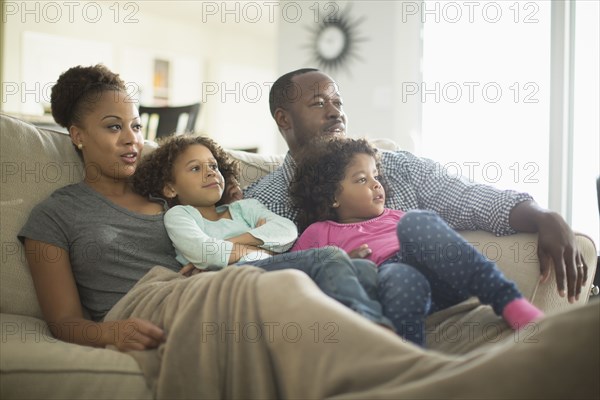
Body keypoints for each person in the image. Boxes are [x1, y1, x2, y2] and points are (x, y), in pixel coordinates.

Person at [16, 64, 598, 399]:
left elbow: (470, 201)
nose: (131, 140)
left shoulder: (173, 191)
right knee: (299, 278)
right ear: (74, 134)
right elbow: (66, 319)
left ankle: (430, 359)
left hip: (229, 283)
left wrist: (540, 215)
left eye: (136, 127)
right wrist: (114, 333)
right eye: (113, 127)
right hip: (185, 296)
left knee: (354, 254)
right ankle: (420, 378)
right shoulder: (59, 214)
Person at [243, 68, 589, 305]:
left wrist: (544, 217)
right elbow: (253, 276)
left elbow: (468, 198)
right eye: (318, 103)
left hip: (418, 297)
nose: (336, 113)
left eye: (338, 102)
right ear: (283, 119)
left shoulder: (395, 166)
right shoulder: (263, 199)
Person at [289, 137, 543, 345]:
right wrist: (343, 263)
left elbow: (437, 236)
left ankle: (508, 300)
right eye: (362, 179)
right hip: (391, 285)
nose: (376, 184)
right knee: (400, 275)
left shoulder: (398, 217)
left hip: (443, 277)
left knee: (416, 221)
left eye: (375, 175)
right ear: (333, 196)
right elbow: (295, 273)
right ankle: (410, 362)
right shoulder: (320, 232)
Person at [132, 134, 393, 329]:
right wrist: (261, 246)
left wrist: (234, 244)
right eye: (195, 168)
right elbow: (207, 253)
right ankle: (373, 327)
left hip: (270, 270)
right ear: (170, 188)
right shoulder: (181, 215)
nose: (210, 173)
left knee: (365, 269)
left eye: (213, 166)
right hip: (232, 281)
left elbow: (287, 231)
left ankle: (349, 331)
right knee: (330, 256)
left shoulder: (246, 208)